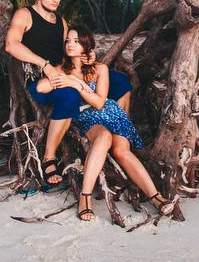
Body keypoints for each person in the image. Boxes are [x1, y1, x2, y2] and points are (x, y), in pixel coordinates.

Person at [4, 0, 133, 189]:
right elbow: (11, 45)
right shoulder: (25, 15)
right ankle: (49, 157)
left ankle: (120, 139)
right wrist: (44, 64)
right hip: (41, 79)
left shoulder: (60, 21)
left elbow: (71, 46)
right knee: (70, 95)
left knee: (121, 81)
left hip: (66, 74)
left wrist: (88, 57)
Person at [52, 27, 171, 222]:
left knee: (122, 151)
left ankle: (156, 197)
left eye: (76, 41)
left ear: (86, 45)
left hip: (111, 112)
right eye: (67, 41)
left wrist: (76, 84)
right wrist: (74, 82)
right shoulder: (59, 69)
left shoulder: (100, 69)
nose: (70, 44)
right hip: (85, 115)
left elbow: (100, 102)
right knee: (104, 136)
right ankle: (85, 196)